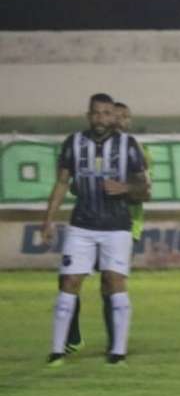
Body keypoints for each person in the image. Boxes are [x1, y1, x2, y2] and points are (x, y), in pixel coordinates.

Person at [42, 93, 150, 366]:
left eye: (106, 113)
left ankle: (118, 352)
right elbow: (62, 183)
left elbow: (145, 189)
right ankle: (57, 351)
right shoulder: (74, 143)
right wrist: (48, 219)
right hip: (82, 225)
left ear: (113, 116)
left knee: (114, 283)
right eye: (96, 113)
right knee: (69, 282)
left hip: (117, 227)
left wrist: (125, 188)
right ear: (88, 115)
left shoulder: (129, 145)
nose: (101, 118)